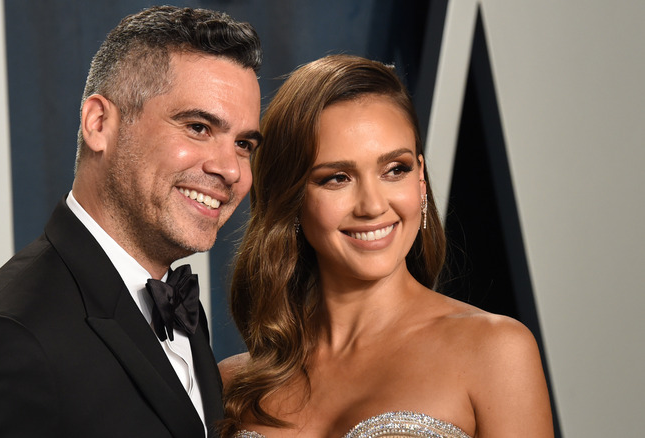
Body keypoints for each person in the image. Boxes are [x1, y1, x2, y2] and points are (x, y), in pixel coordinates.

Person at [0, 6, 262, 437]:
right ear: (99, 123)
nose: (232, 170)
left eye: (243, 144)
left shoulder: (178, 307)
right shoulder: (2, 341)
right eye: (199, 127)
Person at [218, 54, 553, 438]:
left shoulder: (495, 351)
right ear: (290, 199)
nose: (374, 206)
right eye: (337, 178)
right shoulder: (232, 384)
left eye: (396, 170)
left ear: (421, 180)